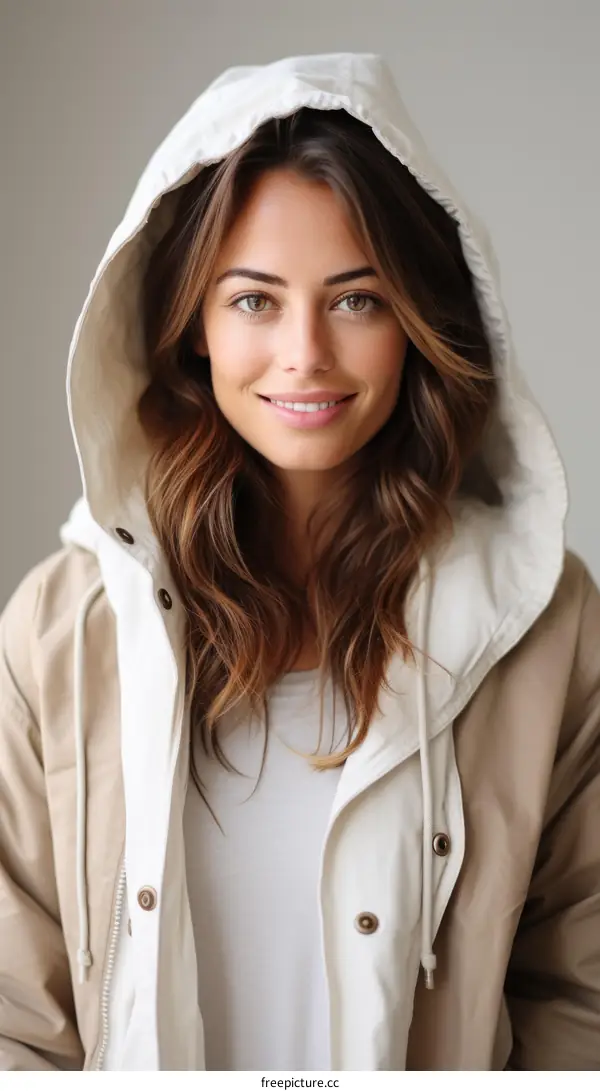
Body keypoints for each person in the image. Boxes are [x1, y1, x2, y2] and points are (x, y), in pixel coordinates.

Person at [0, 51, 598, 1074]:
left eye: (357, 299)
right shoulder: (64, 626)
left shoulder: (544, 619)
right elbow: (18, 1013)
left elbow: (581, 992)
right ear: (190, 323)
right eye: (254, 300)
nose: (306, 352)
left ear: (418, 317)